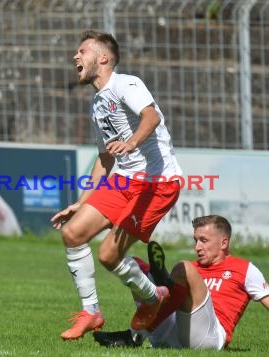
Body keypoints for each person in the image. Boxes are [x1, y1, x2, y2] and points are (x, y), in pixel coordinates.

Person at [51, 30, 183, 340]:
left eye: (83, 51)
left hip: (157, 182)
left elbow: (150, 117)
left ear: (104, 58)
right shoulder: (98, 103)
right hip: (124, 180)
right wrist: (81, 202)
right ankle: (91, 311)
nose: (76, 57)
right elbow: (104, 159)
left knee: (108, 255)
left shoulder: (126, 83)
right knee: (73, 233)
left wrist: (132, 142)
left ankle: (153, 297)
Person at [93, 215, 269, 353]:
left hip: (210, 336)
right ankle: (154, 305)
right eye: (195, 240)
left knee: (183, 269)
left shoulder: (244, 269)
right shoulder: (193, 267)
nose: (197, 247)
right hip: (174, 330)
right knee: (135, 266)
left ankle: (136, 333)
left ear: (224, 243)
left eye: (204, 240)